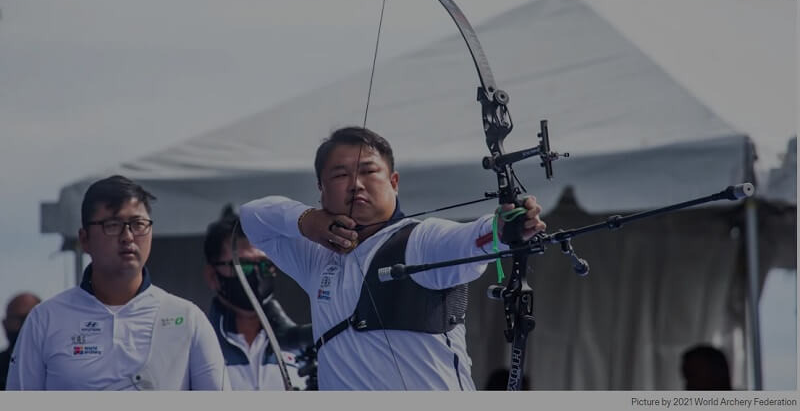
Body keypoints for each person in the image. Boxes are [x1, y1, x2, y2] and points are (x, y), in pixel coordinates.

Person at [240, 126, 546, 390]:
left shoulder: (420, 240)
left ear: (394, 182)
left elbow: (472, 239)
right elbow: (252, 216)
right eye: (340, 174)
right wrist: (307, 220)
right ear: (320, 189)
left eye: (369, 171)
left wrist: (504, 227)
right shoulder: (317, 257)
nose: (356, 184)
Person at [6, 175, 230, 390]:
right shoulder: (44, 320)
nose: (128, 236)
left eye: (138, 224)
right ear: (84, 239)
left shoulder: (188, 319)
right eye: (112, 225)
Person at [202, 208, 314, 390]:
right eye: (244, 266)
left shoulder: (301, 345)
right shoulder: (198, 344)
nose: (256, 275)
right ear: (212, 276)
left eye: (264, 265)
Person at [0, 292, 41, 390]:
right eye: (21, 319)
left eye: (31, 319)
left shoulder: (60, 363)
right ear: (5, 323)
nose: (26, 326)